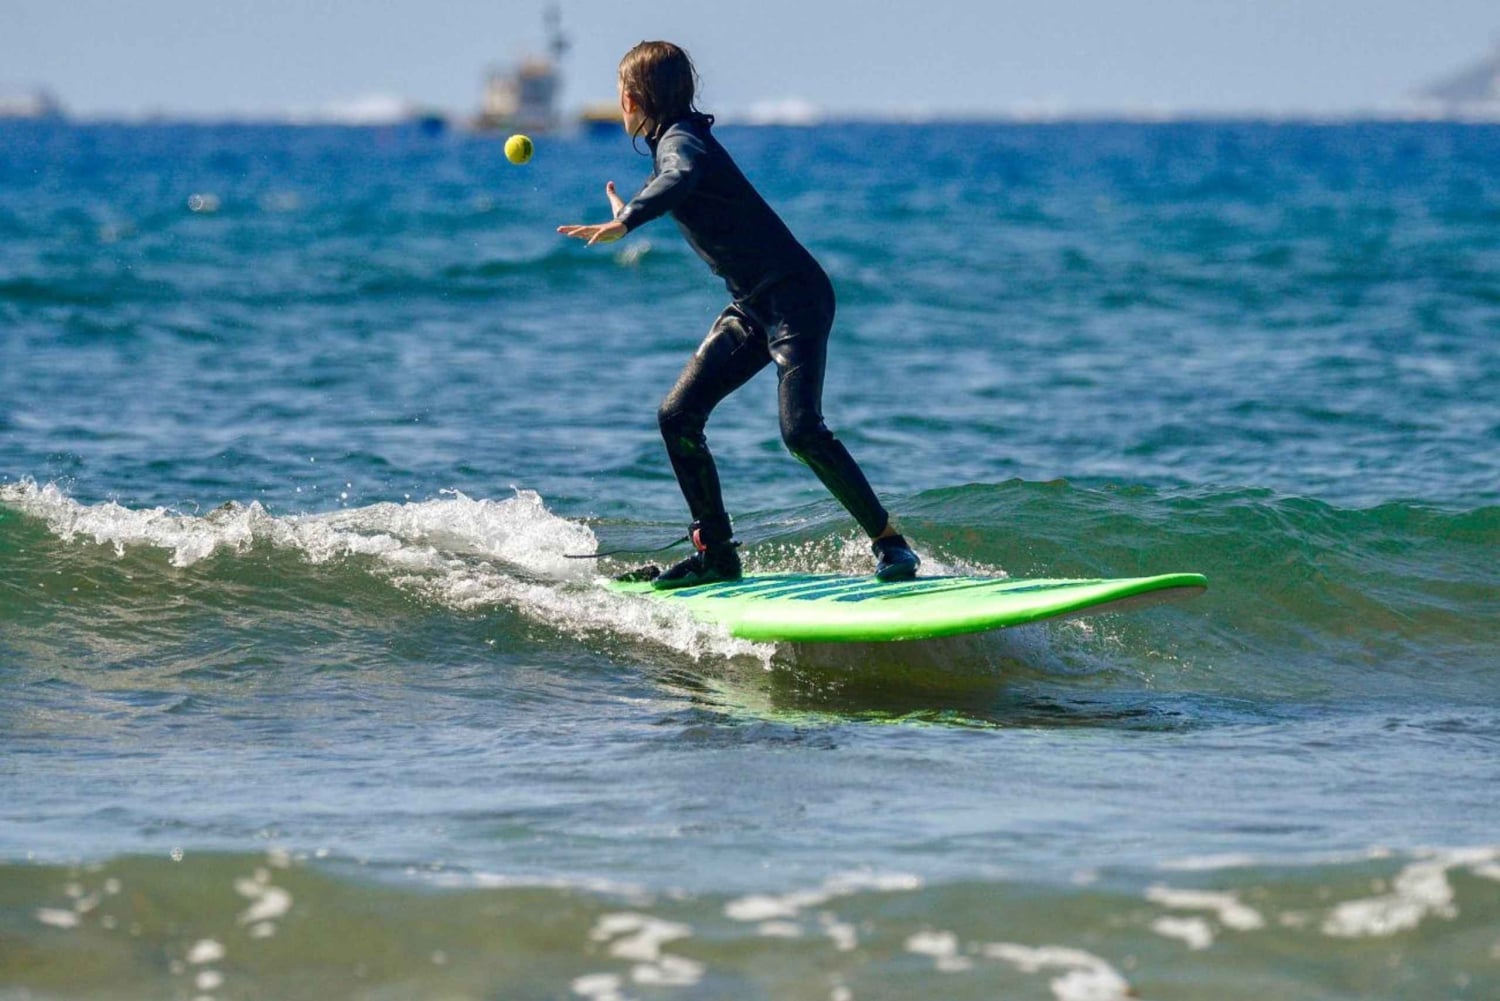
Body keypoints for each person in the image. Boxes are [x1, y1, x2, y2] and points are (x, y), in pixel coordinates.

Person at [558, 40, 919, 589]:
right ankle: (717, 553)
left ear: (632, 98)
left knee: (801, 432)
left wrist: (628, 220)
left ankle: (891, 543)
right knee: (678, 417)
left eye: (619, 93)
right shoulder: (679, 141)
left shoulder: (682, 143)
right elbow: (674, 181)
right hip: (753, 307)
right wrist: (631, 208)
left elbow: (679, 177)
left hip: (795, 298)